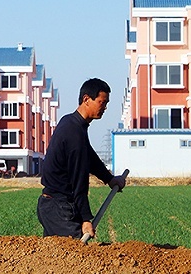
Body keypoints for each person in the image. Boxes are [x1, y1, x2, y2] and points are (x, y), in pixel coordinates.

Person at [37, 78, 126, 239]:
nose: (105, 108)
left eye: (106, 103)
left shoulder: (72, 123)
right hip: (59, 207)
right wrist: (86, 219)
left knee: (57, 258)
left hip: (53, 206)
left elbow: (89, 157)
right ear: (86, 99)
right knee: (74, 256)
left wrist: (110, 179)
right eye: (102, 102)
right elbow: (78, 180)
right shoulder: (74, 132)